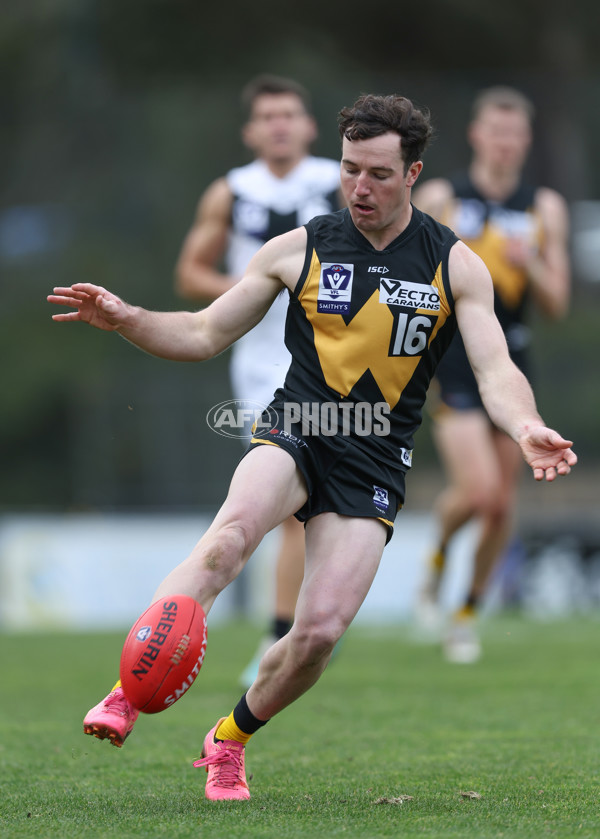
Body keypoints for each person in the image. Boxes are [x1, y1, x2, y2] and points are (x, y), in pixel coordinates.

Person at [48, 93, 576, 801]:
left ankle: (228, 739)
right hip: (299, 425)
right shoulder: (298, 248)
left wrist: (525, 424)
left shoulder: (455, 264)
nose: (360, 187)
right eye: (351, 169)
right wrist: (127, 319)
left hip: (378, 456)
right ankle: (126, 686)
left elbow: (493, 369)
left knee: (319, 631)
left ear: (413, 172)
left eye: (379, 174)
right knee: (225, 542)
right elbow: (202, 333)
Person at [175, 74, 342, 686]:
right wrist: (259, 284)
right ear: (250, 131)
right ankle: (288, 630)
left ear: (309, 125)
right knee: (287, 502)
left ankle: (298, 626)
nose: (279, 125)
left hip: (331, 362)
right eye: (267, 116)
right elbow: (191, 272)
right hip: (259, 366)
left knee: (304, 502)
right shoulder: (230, 192)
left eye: (289, 114)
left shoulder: (340, 182)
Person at [412, 86, 571, 663]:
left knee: (501, 505)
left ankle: (464, 614)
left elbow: (556, 303)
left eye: (515, 135)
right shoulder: (442, 196)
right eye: (495, 133)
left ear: (525, 142)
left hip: (513, 361)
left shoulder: (543, 206)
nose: (504, 144)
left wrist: (532, 266)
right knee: (477, 493)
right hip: (452, 357)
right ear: (478, 135)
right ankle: (434, 567)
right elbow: (411, 278)